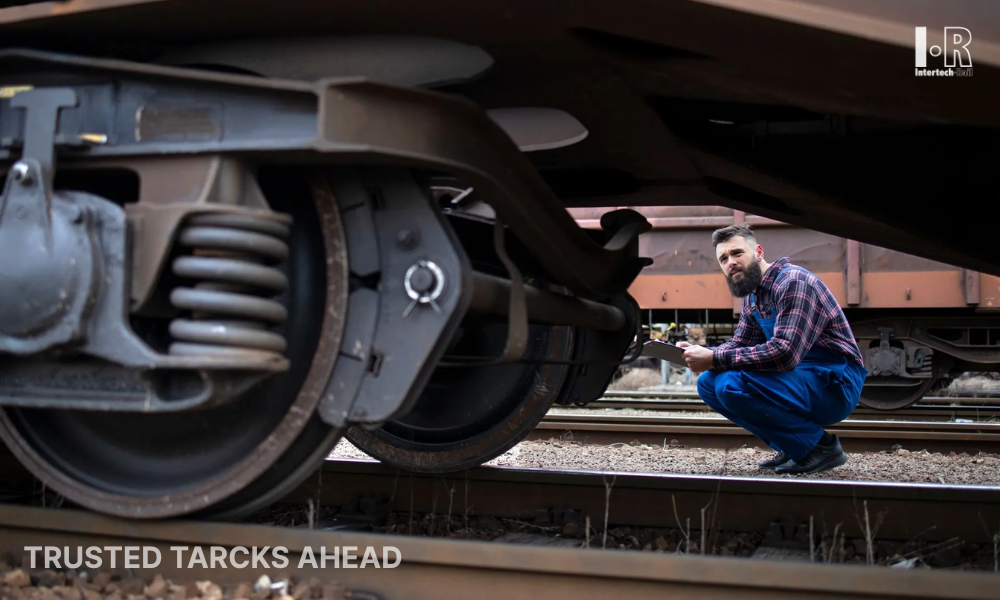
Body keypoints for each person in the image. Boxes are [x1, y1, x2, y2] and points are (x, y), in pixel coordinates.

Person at [677, 224, 868, 474]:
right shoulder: (754, 297)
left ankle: (818, 448)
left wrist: (714, 358)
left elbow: (785, 353)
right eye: (723, 258)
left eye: (737, 253)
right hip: (800, 377)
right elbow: (739, 345)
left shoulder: (793, 282)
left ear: (758, 251)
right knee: (708, 383)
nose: (730, 262)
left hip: (834, 382)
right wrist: (702, 352)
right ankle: (793, 446)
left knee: (729, 384)